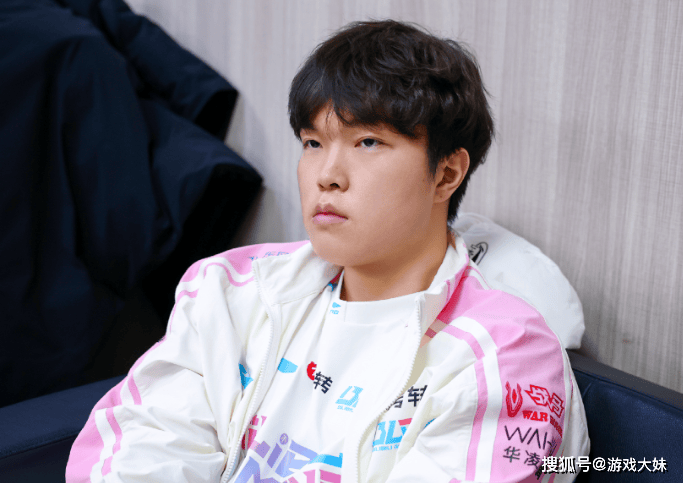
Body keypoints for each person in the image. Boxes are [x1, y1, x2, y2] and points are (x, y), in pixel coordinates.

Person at [66, 19, 589, 483]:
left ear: (446, 173)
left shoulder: (504, 355)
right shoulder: (234, 292)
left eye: (368, 143)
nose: (326, 176)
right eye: (313, 143)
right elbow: (142, 445)